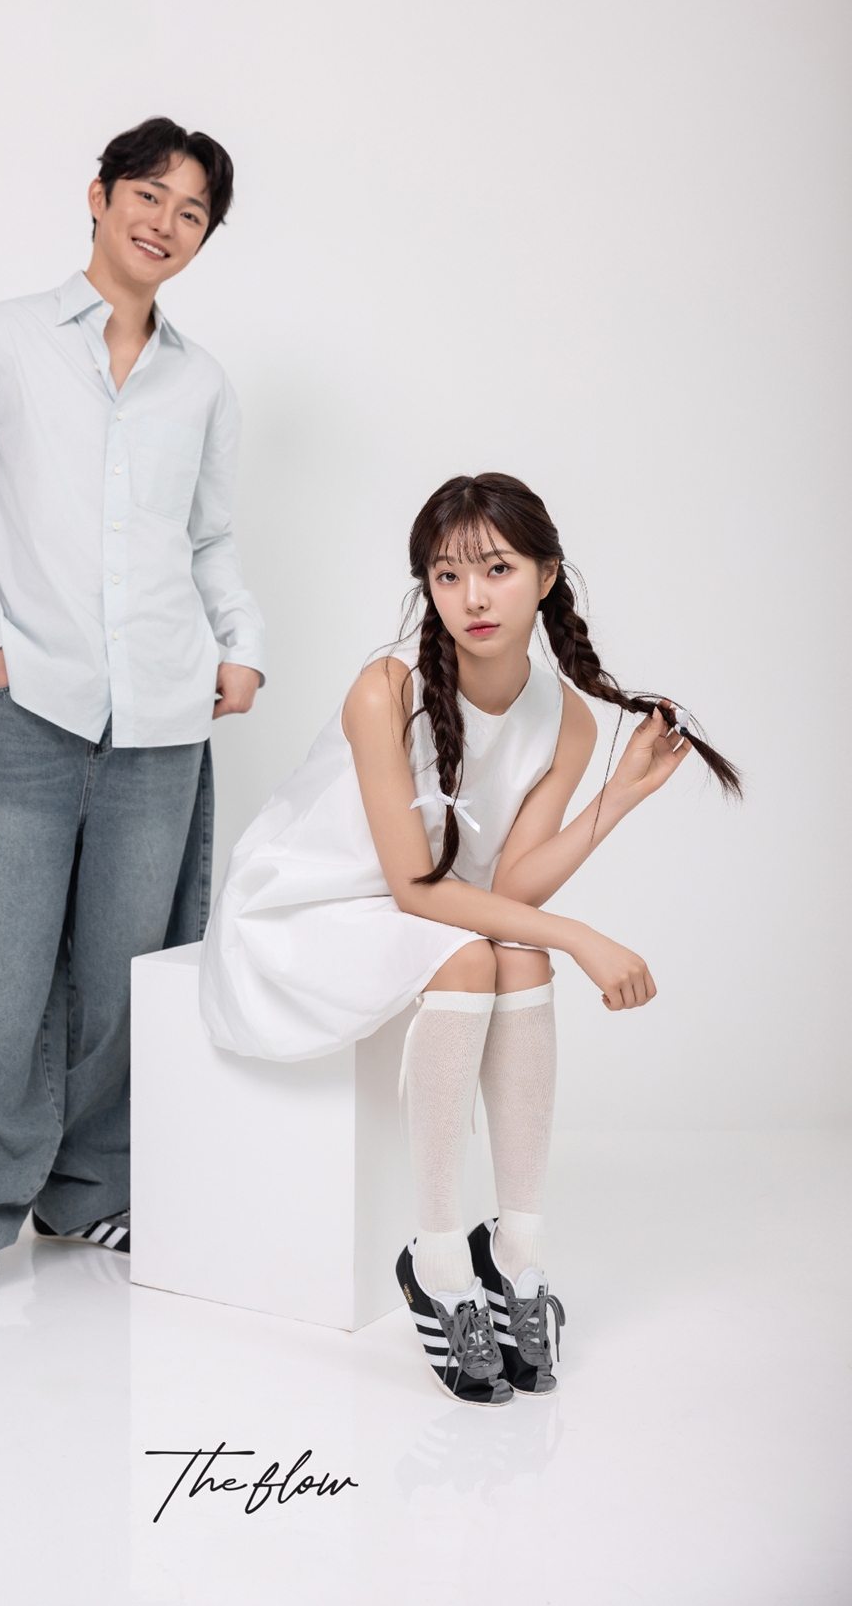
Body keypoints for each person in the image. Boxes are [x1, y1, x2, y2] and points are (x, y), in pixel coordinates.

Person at [201, 472, 738, 1404]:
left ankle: (517, 1253)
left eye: (496, 568)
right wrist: (583, 935)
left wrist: (616, 797)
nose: (473, 596)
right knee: (478, 950)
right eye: (447, 575)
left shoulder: (568, 719)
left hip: (424, 908)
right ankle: (440, 1260)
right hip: (305, 906)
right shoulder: (386, 689)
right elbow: (415, 886)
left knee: (516, 948)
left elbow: (511, 885)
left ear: (546, 574)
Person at [0, 117, 265, 1323]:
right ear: (98, 195)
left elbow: (209, 536)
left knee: (124, 975)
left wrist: (241, 644)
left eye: (192, 212)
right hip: (30, 706)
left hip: (164, 715)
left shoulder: (202, 381)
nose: (165, 223)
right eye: (149, 194)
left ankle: (90, 1188)